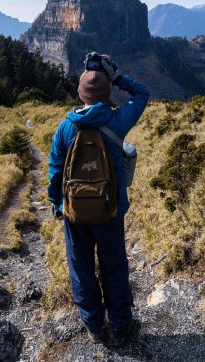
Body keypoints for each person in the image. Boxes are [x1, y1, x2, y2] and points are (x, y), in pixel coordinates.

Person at [47, 52, 151, 346]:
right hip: (111, 211)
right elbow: (143, 93)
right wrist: (117, 78)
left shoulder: (66, 127)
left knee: (81, 268)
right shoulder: (117, 120)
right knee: (114, 267)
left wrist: (57, 204)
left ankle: (94, 326)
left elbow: (55, 171)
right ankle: (120, 327)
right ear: (106, 93)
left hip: (75, 213)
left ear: (80, 94)